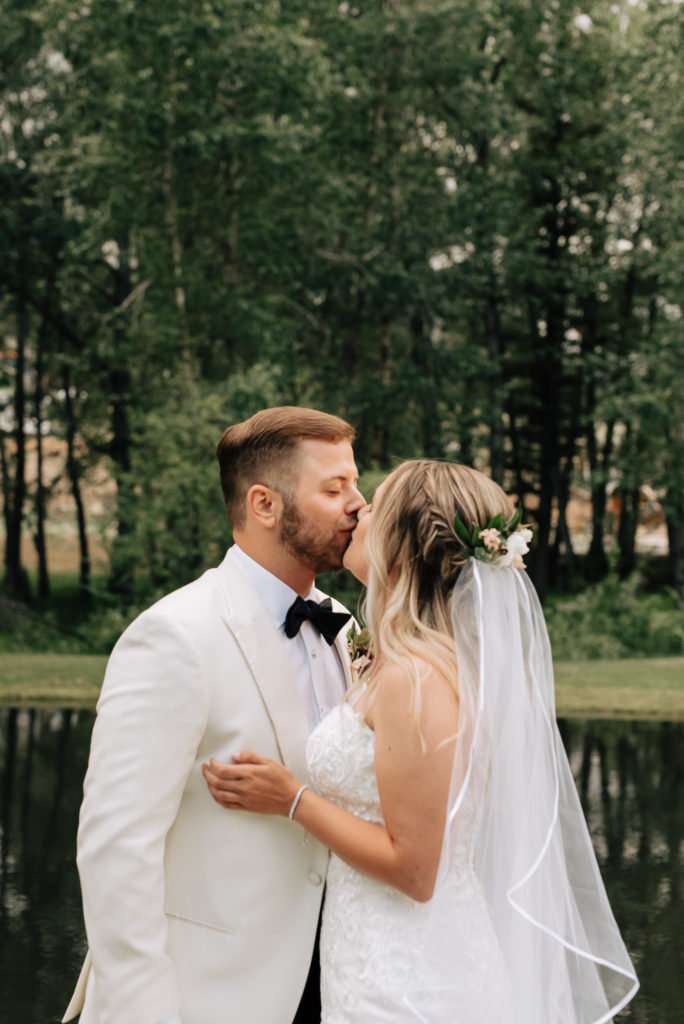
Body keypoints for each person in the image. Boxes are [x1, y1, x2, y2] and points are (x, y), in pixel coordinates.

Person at [204, 459, 639, 1023]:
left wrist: (292, 799)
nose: (357, 509)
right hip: (370, 954)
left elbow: (415, 870)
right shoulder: (398, 658)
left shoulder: (419, 677)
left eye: (375, 502)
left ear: (402, 548)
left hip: (413, 981)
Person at [63, 406, 365, 1024]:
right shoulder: (175, 635)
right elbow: (117, 848)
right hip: (206, 998)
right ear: (264, 504)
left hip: (335, 988)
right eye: (335, 489)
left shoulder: (343, 627)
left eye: (354, 483)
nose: (358, 504)